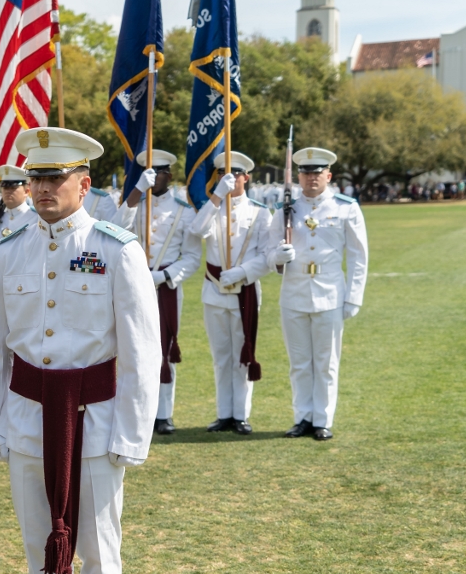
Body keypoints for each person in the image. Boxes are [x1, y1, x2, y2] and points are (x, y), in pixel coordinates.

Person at [0, 127, 161, 574]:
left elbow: (140, 350)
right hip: (31, 416)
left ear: (85, 183)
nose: (44, 188)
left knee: (99, 551)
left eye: (56, 178)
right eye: (36, 177)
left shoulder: (116, 248)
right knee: (40, 545)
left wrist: (135, 434)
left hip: (96, 417)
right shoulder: (8, 249)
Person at [267, 147, 368, 441]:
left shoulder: (346, 207)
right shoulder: (285, 209)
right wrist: (279, 256)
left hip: (330, 293)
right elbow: (270, 251)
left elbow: (359, 257)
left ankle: (322, 419)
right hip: (294, 292)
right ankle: (303, 417)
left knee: (326, 362)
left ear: (329, 175)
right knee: (299, 362)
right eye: (306, 172)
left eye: (317, 173)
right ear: (298, 176)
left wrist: (353, 297)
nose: (311, 178)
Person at [111, 149, 202, 434]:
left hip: (166, 286)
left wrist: (164, 276)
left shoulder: (184, 212)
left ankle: (163, 414)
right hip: (133, 283)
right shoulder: (133, 204)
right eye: (147, 172)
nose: (153, 178)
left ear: (168, 175)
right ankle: (135, 411)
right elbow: (114, 229)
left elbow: (192, 257)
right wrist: (137, 191)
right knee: (129, 348)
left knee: (164, 349)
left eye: (158, 173)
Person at [194, 151, 273, 435]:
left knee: (242, 355)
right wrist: (217, 197)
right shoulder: (212, 208)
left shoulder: (260, 212)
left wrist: (243, 271)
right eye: (224, 175)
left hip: (245, 291)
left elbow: (267, 256)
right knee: (221, 356)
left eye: (237, 174)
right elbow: (196, 230)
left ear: (246, 177)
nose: (232, 179)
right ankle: (223, 413)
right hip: (214, 291)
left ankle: (241, 414)